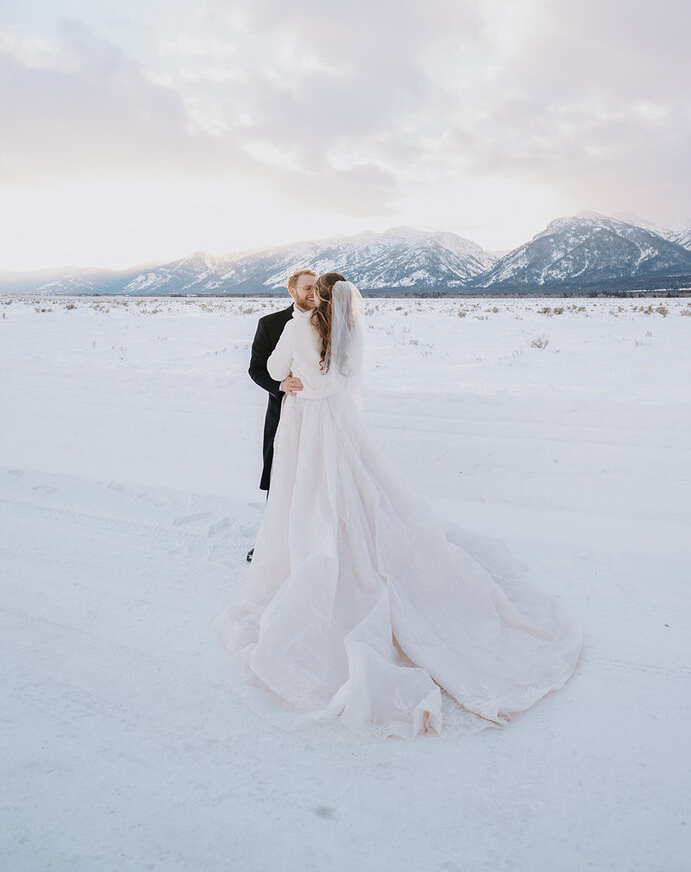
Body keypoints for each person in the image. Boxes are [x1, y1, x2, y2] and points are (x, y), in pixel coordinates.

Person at [218, 273, 581, 740]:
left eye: (313, 288)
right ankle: (338, 540)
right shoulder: (341, 329)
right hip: (333, 420)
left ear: (317, 295)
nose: (307, 293)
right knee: (341, 489)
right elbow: (324, 376)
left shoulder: (296, 327)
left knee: (307, 490)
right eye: (301, 287)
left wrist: (291, 380)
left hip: (306, 420)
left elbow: (273, 368)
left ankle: (313, 550)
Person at [245, 268, 317, 562]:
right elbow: (256, 369)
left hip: (320, 415)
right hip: (283, 413)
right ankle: (272, 543)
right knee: (281, 474)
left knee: (317, 475)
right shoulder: (271, 324)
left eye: (316, 287)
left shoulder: (328, 321)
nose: (313, 292)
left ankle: (314, 541)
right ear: (292, 291)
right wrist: (280, 386)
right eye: (307, 287)